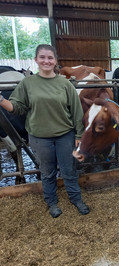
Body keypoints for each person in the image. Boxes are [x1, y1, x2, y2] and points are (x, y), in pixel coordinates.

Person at [0, 44, 89, 218]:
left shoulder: (65, 84)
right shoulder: (28, 83)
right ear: (36, 60)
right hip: (40, 138)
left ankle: (76, 199)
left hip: (65, 135)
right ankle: (52, 202)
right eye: (42, 57)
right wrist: (2, 100)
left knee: (69, 170)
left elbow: (77, 111)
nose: (46, 61)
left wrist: (79, 135)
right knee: (47, 173)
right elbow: (17, 107)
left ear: (55, 61)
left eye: (50, 58)